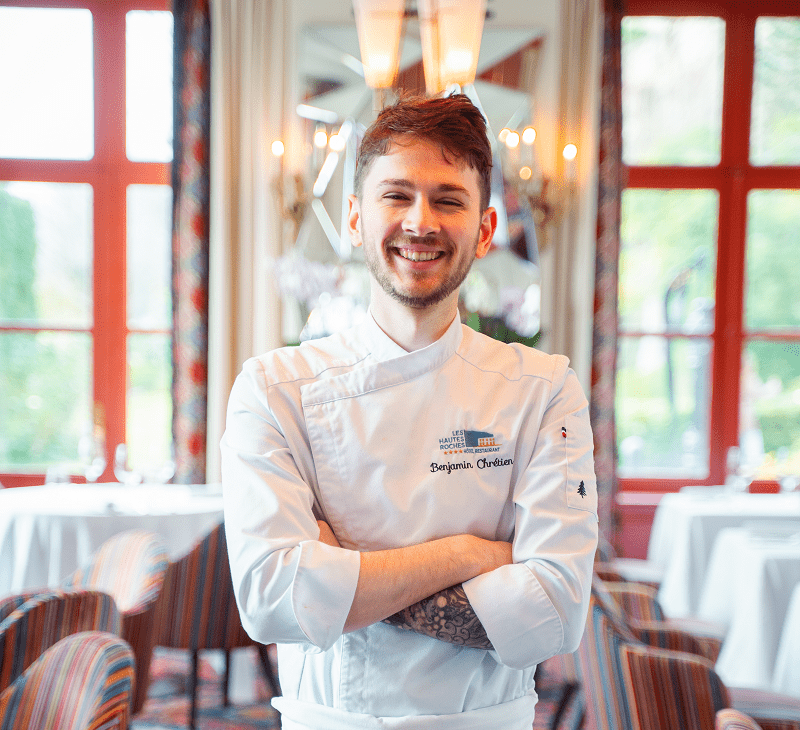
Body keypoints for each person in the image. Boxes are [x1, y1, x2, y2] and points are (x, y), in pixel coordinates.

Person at [222, 93, 598, 730]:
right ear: (355, 219)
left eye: (448, 199)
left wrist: (341, 574)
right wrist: (468, 554)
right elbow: (270, 599)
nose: (421, 222)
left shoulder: (543, 388)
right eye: (396, 195)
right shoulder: (273, 387)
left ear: (483, 230)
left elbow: (555, 614)